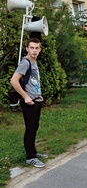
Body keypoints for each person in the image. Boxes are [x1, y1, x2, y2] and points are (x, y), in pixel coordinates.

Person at [10, 37, 47, 168]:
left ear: (40, 49)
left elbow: (32, 81)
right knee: (30, 129)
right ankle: (30, 157)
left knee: (34, 127)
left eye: (37, 48)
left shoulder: (34, 62)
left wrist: (38, 95)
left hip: (35, 100)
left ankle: (33, 152)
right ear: (27, 49)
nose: (34, 50)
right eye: (31, 48)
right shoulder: (25, 63)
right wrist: (26, 97)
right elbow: (14, 80)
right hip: (29, 102)